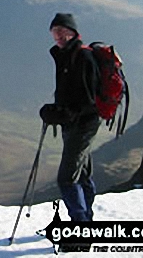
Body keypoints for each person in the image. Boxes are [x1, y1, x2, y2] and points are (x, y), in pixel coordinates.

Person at [40, 13, 101, 223]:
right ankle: (87, 220)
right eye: (53, 31)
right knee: (81, 174)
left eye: (60, 31)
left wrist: (61, 114)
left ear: (72, 32)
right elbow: (71, 94)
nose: (56, 35)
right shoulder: (65, 55)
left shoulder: (82, 57)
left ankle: (81, 229)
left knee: (66, 178)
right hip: (75, 124)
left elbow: (87, 100)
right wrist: (56, 110)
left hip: (83, 124)